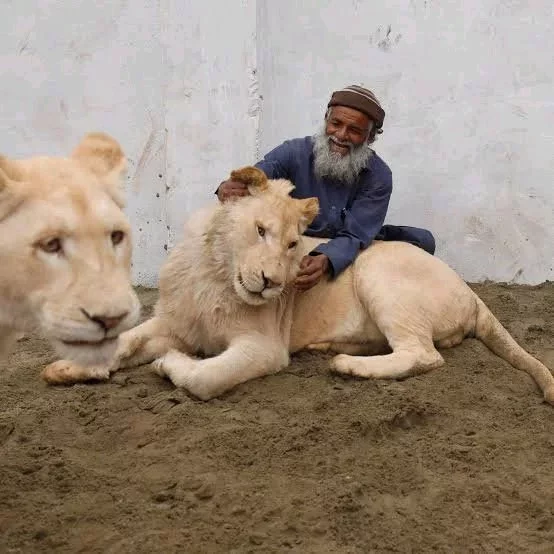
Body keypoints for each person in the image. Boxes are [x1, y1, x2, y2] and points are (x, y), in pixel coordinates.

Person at [216, 84, 435, 292]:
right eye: (336, 124)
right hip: (293, 242)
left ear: (369, 138)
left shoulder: (379, 176)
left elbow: (357, 235)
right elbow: (258, 179)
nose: (340, 135)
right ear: (326, 120)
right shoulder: (294, 151)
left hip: (346, 243)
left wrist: (327, 258)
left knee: (422, 241)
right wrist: (229, 187)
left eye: (354, 130)